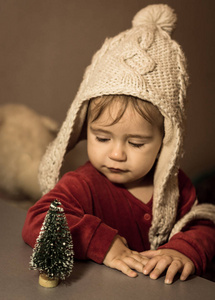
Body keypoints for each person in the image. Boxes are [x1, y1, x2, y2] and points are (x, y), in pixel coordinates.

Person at [22, 4, 215, 284]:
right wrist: (103, 242)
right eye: (101, 138)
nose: (115, 154)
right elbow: (38, 219)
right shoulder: (83, 185)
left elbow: (204, 224)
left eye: (136, 143)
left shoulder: (177, 187)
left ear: (166, 142)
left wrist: (182, 250)